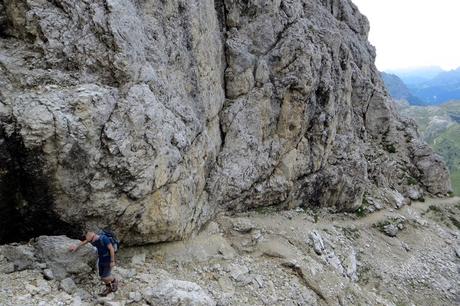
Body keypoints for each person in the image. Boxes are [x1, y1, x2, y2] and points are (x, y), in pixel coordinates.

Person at [69, 231, 119, 296]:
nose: (91, 242)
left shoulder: (104, 239)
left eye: (91, 241)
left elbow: (111, 249)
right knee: (101, 275)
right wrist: (76, 246)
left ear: (94, 236)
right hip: (101, 259)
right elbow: (86, 241)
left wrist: (112, 261)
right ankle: (108, 288)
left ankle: (114, 281)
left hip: (108, 259)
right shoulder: (93, 239)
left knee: (105, 276)